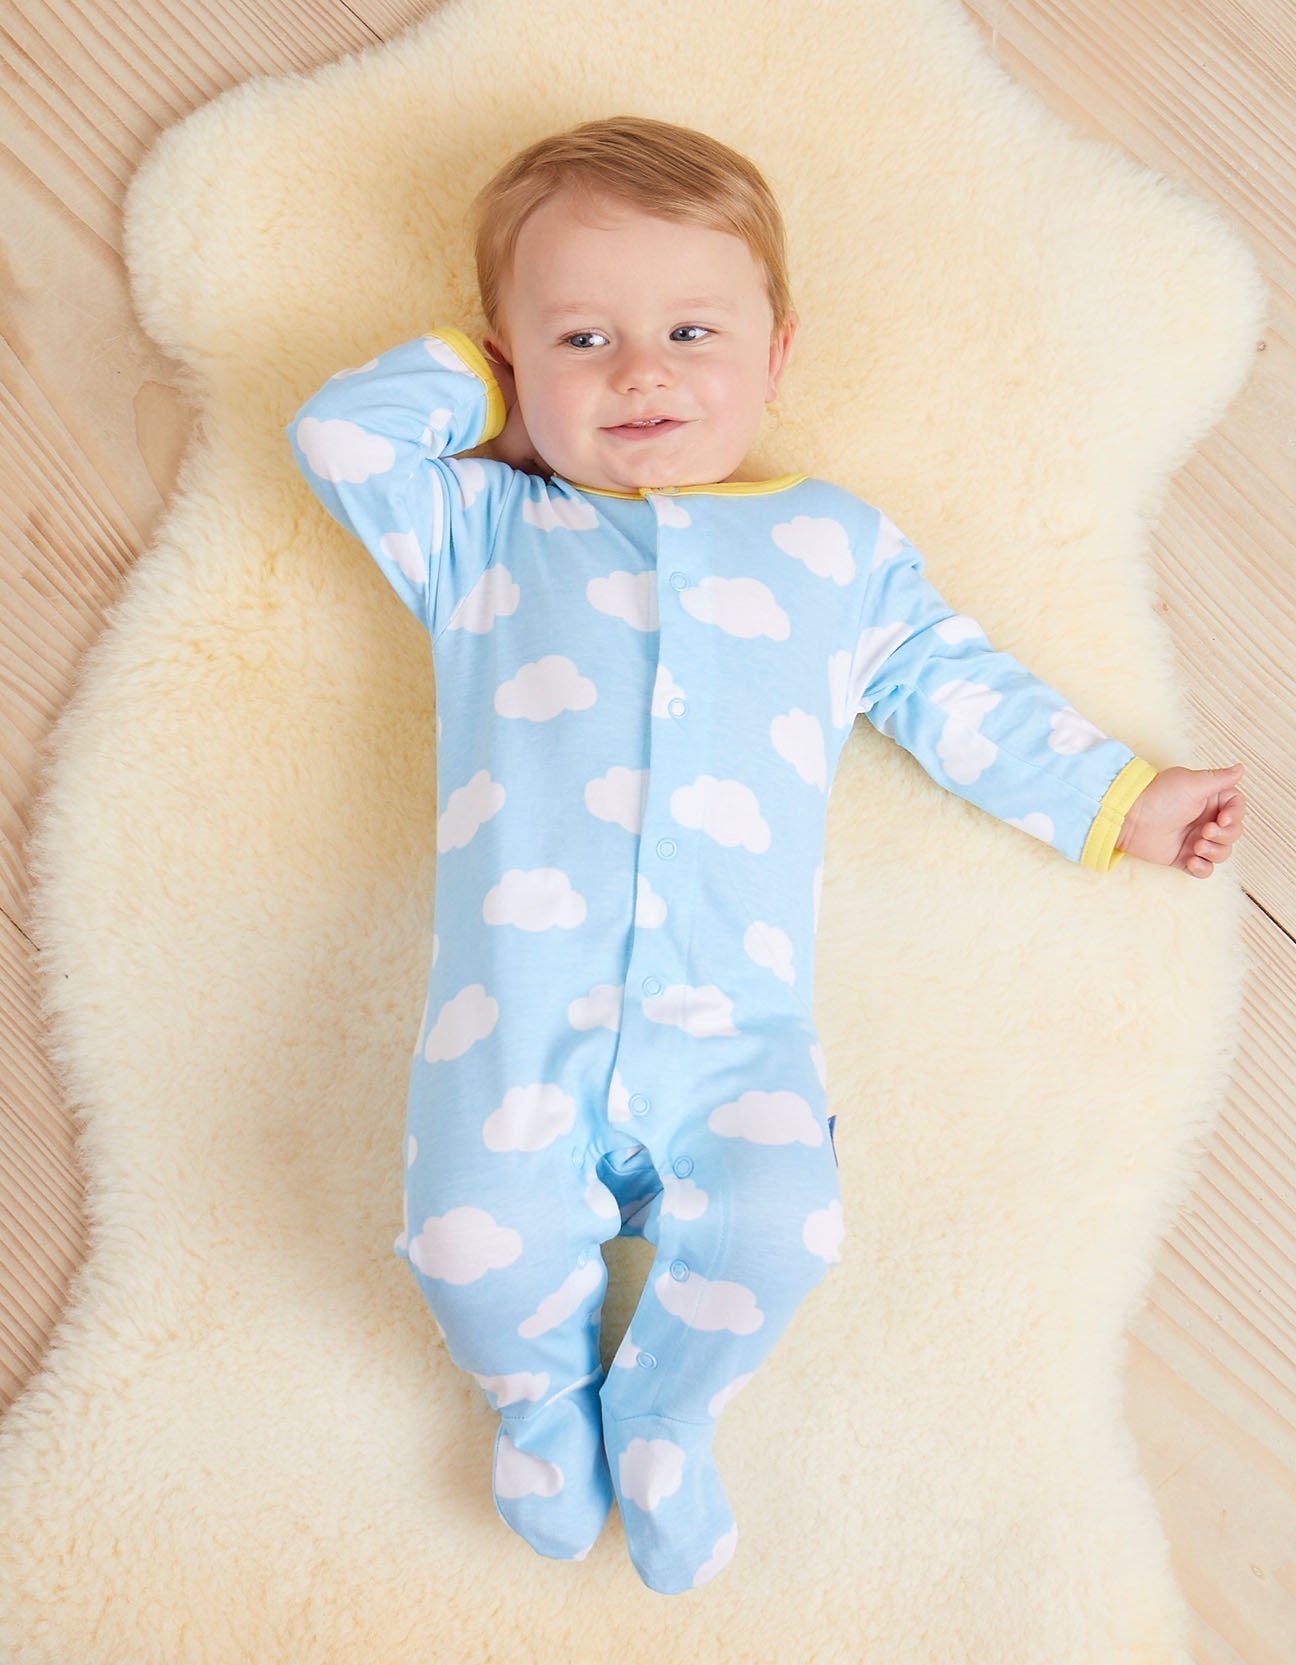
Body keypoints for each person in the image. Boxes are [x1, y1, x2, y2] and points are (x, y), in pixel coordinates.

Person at [283, 114, 1248, 1595]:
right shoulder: (483, 525)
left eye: (688, 330)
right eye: (584, 337)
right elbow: (339, 433)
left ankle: (668, 1409)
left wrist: (1125, 799)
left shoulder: (832, 547)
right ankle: (540, 1398)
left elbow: (952, 689)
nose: (642, 372)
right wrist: (498, 389)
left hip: (732, 1032)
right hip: (510, 1021)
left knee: (785, 1224)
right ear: (510, 361)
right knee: (463, 1233)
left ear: (778, 357)